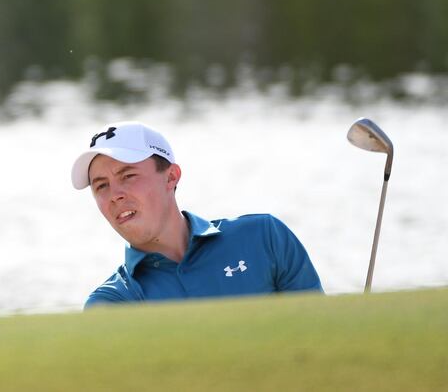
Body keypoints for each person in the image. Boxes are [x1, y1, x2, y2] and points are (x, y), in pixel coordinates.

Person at [71, 121, 322, 308]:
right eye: (101, 186)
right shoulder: (111, 302)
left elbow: (320, 334)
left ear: (171, 177)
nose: (115, 194)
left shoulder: (264, 237)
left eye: (128, 176)